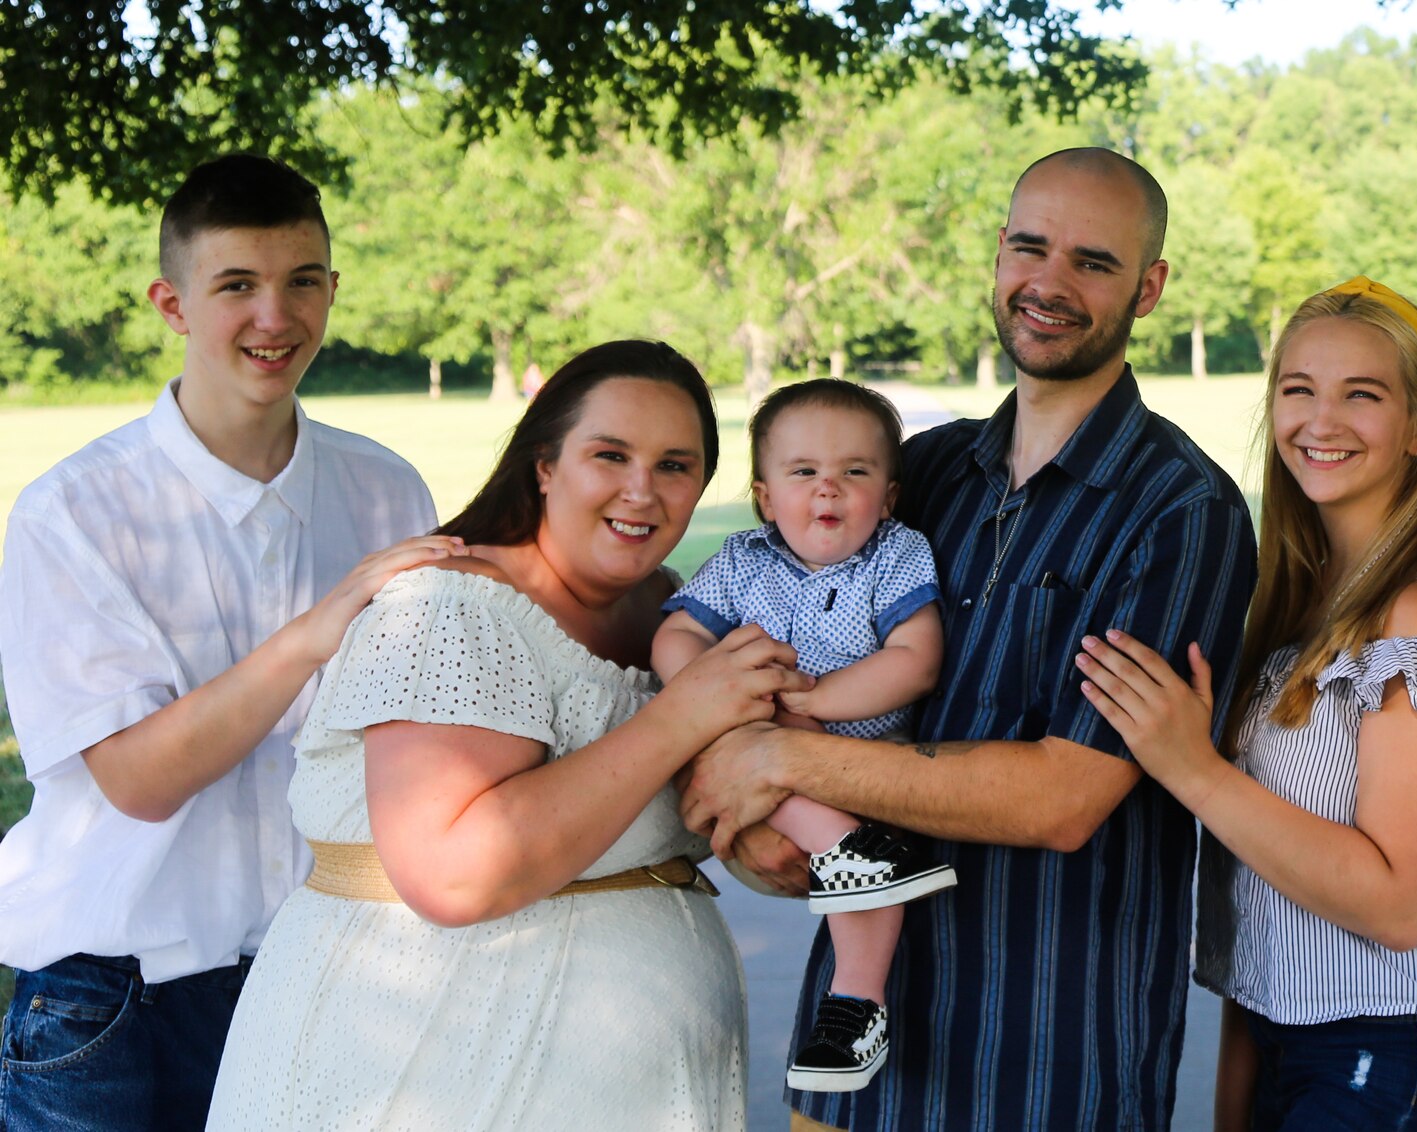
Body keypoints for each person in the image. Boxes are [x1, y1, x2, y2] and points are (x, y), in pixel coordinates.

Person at [677, 147, 1259, 1131]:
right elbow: (761, 671)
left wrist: (776, 756)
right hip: (856, 1052)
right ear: (997, 255)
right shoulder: (913, 473)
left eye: (1093, 262)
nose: (1049, 283)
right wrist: (756, 829)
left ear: (1149, 287)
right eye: (1028, 248)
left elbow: (1067, 794)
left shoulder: (1180, 510)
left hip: (1047, 1056)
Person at [205, 340, 807, 1130]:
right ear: (544, 465)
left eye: (675, 465)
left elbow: (665, 817)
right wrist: (681, 716)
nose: (642, 491)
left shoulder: (678, 617)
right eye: (610, 455)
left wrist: (764, 837)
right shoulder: (449, 608)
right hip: (425, 1078)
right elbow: (454, 872)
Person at [0, 154, 449, 1130]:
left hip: (320, 971)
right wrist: (315, 633)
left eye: (302, 282)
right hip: (112, 998)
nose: (274, 318)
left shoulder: (389, 491)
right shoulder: (72, 511)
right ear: (173, 304)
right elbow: (137, 778)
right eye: (236, 285)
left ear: (333, 290)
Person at [1077, 279, 1417, 1131]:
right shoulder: (1297, 594)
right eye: (1299, 390)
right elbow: (1268, 891)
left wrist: (1192, 769)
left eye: (1361, 395)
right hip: (1289, 1029)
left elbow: (1401, 907)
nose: (1319, 422)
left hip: (1409, 1046)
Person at [654, 378, 952, 1093]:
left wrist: (813, 701)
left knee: (855, 873)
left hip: (865, 757)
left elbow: (915, 661)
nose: (829, 490)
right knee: (761, 753)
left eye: (855, 472)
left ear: (887, 496)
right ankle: (857, 910)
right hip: (758, 735)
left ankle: (856, 999)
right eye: (804, 473)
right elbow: (678, 632)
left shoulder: (896, 555)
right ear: (764, 497)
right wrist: (710, 691)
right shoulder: (742, 560)